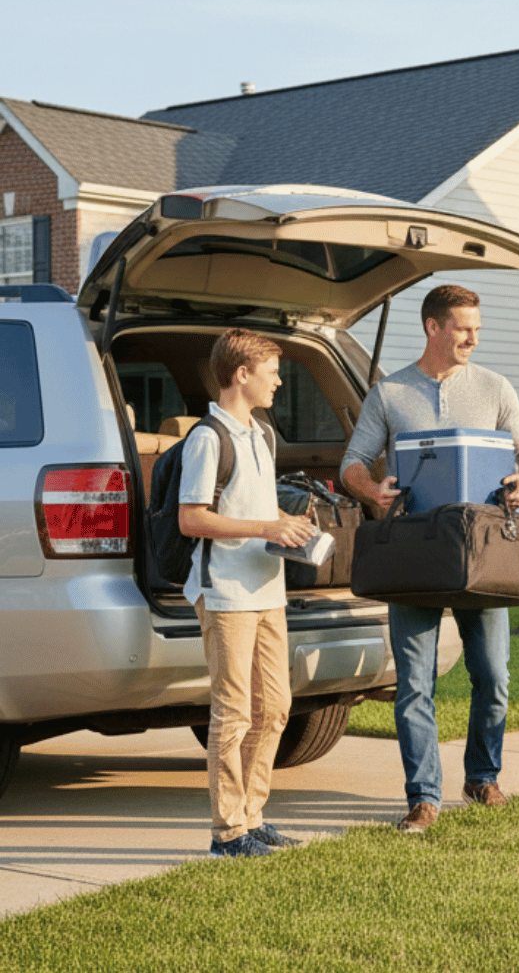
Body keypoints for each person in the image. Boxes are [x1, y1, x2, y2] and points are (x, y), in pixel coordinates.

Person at [340, 284, 519, 835]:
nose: (473, 338)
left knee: (495, 677)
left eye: (476, 327)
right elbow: (352, 464)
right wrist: (372, 491)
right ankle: (423, 796)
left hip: (483, 555)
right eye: (462, 327)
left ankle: (481, 776)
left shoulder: (495, 387)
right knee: (413, 683)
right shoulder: (389, 394)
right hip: (414, 553)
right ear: (433, 327)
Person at [179, 329, 318, 858]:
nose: (279, 380)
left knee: (276, 708)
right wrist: (265, 528)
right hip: (225, 593)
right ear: (242, 374)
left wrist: (288, 523)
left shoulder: (261, 432)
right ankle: (228, 832)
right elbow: (192, 519)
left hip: (267, 589)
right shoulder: (207, 438)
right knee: (233, 712)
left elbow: (250, 505)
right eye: (271, 370)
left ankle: (253, 817)